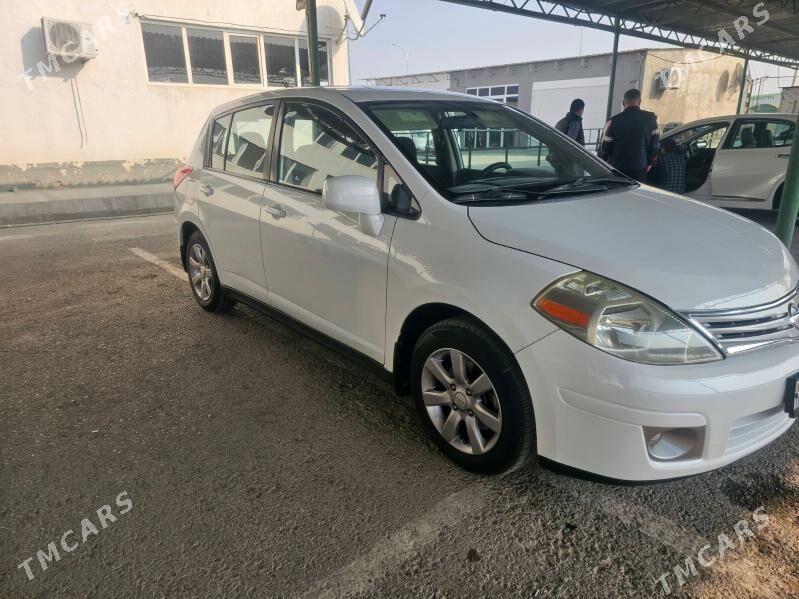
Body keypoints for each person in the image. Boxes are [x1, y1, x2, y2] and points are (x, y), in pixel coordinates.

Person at [600, 89, 659, 182]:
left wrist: (605, 163)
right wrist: (650, 163)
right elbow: (655, 146)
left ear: (624, 103)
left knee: (619, 195)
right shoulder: (650, 119)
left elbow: (606, 147)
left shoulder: (614, 121)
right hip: (639, 168)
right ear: (639, 101)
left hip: (618, 169)